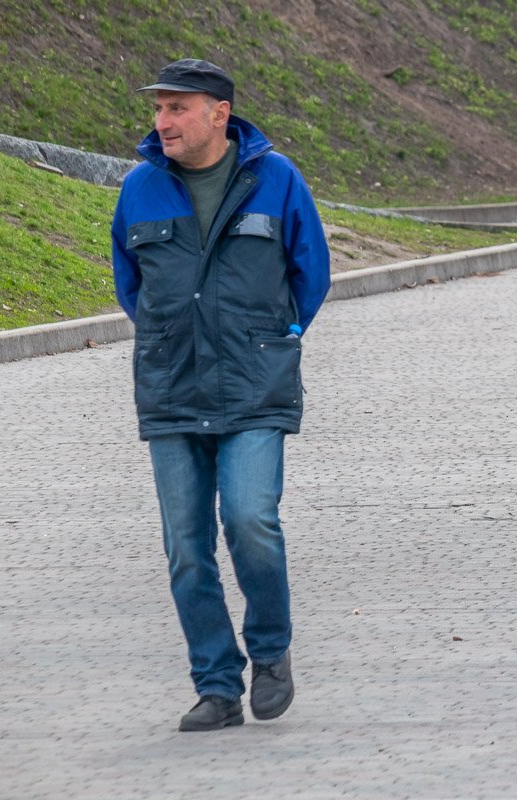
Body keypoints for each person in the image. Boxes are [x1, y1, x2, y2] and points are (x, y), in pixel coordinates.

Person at [111, 59, 331, 730]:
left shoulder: (276, 179)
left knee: (249, 520)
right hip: (172, 390)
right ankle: (216, 685)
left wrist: (279, 334)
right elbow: (130, 283)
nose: (163, 121)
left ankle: (270, 653)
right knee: (185, 545)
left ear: (218, 114)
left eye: (177, 108)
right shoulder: (141, 189)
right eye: (159, 109)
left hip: (255, 385)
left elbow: (311, 271)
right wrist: (166, 338)